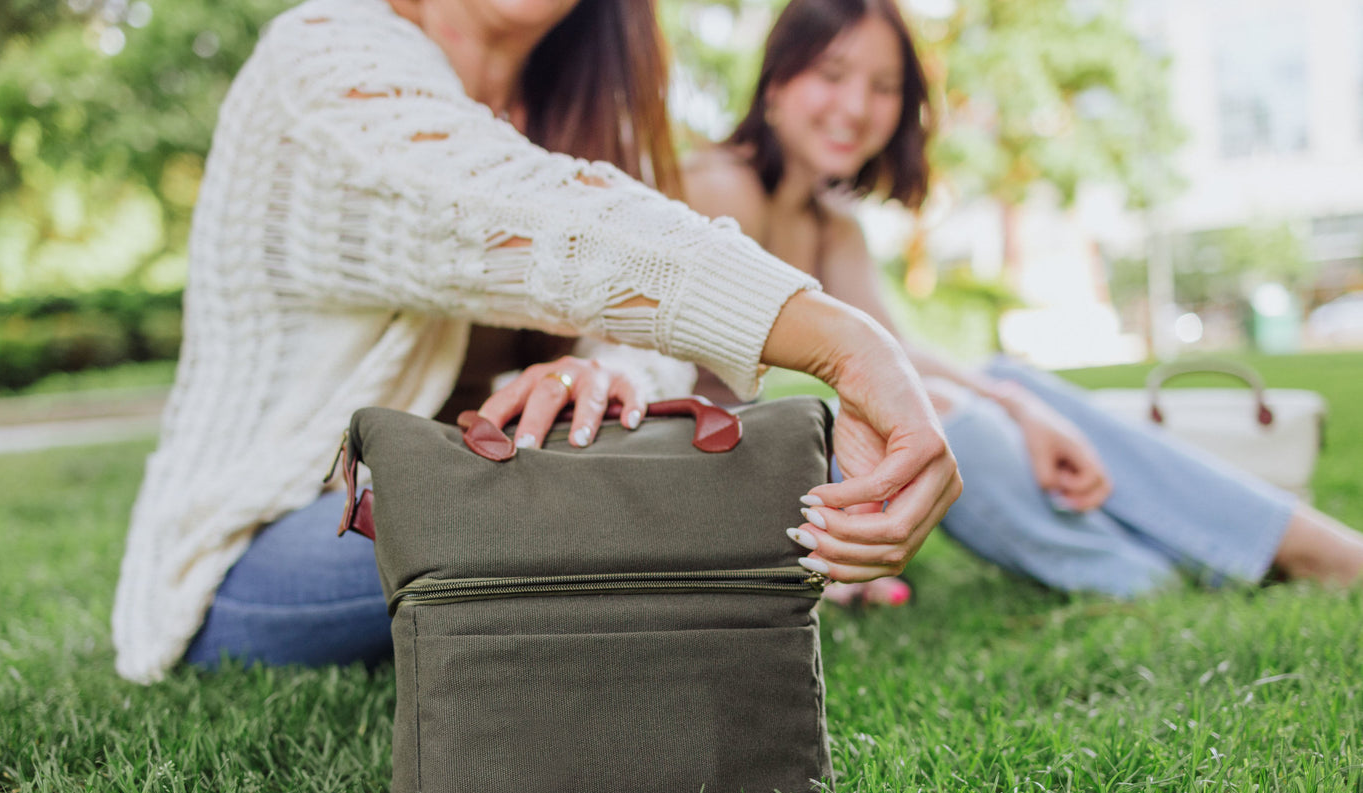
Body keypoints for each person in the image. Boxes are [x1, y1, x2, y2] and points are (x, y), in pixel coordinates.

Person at [111, 0, 963, 683]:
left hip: (499, 484)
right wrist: (850, 345)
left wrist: (603, 370)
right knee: (622, 493)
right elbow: (524, 219)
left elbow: (641, 336)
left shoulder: (583, 105)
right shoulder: (324, 57)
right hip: (264, 549)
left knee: (623, 469)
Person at [682, 0, 1363, 605]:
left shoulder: (832, 221)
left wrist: (1023, 407)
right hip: (703, 473)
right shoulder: (719, 187)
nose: (856, 107)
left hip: (774, 457)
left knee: (1005, 383)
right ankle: (1148, 582)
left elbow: (893, 355)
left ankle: (1293, 546)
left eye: (883, 86)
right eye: (830, 74)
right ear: (775, 83)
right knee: (952, 424)